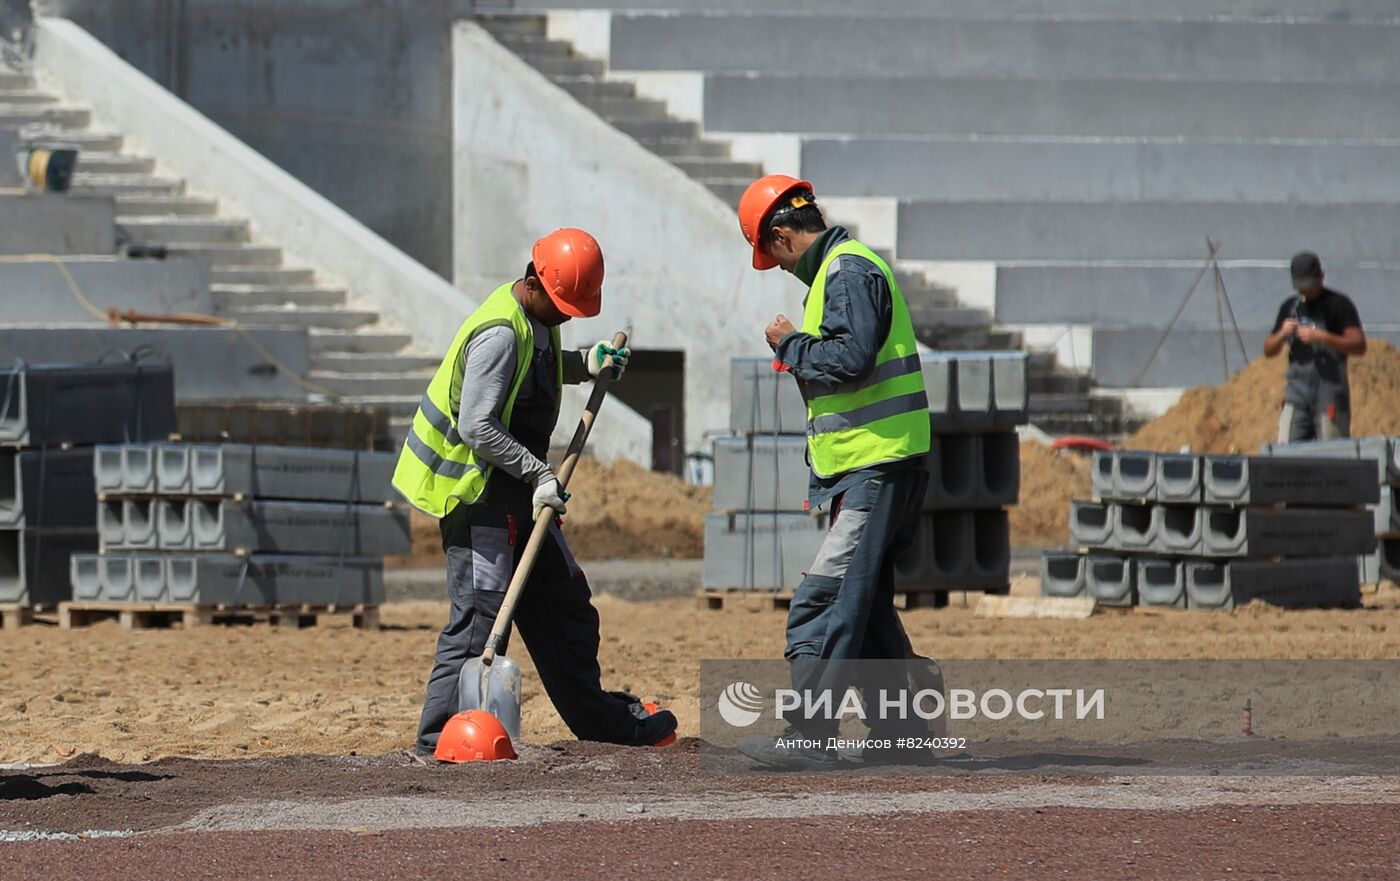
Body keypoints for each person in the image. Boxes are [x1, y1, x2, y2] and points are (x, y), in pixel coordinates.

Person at [393, 228, 678, 756]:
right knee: (480, 621)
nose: (567, 317)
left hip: (519, 492)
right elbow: (479, 426)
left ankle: (603, 724)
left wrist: (585, 363)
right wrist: (539, 473)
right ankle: (439, 741)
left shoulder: (539, 320)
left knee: (564, 603)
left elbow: (538, 373)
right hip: (477, 494)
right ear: (532, 283)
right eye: (561, 306)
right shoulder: (500, 334)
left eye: (575, 310)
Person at [732, 175, 935, 769]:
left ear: (781, 236)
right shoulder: (845, 269)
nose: (778, 270)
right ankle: (905, 733)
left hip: (875, 463)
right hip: (878, 465)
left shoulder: (844, 271)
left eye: (771, 258)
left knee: (822, 603)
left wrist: (791, 345)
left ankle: (811, 735)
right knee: (865, 606)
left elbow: (849, 358)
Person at [1264, 251, 1367, 443]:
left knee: (1331, 454)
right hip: (1297, 392)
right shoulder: (1290, 307)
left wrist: (1324, 337)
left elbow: (1359, 345)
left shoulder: (1338, 305)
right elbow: (1268, 349)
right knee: (1285, 450)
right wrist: (1282, 334)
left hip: (1329, 393)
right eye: (1301, 286)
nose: (1306, 291)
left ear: (1321, 277)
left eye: (1309, 286)